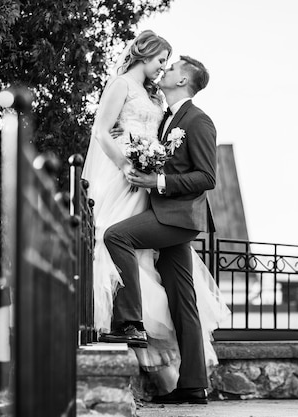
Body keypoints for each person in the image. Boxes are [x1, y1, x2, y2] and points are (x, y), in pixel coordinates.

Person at [81, 31, 228, 403]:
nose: (165, 67)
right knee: (183, 299)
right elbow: (125, 132)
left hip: (176, 216)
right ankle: (193, 385)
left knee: (116, 237)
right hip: (163, 210)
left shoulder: (197, 120)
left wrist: (155, 178)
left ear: (182, 78)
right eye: (163, 60)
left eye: (171, 64)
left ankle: (130, 322)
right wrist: (126, 143)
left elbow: (207, 177)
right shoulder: (163, 111)